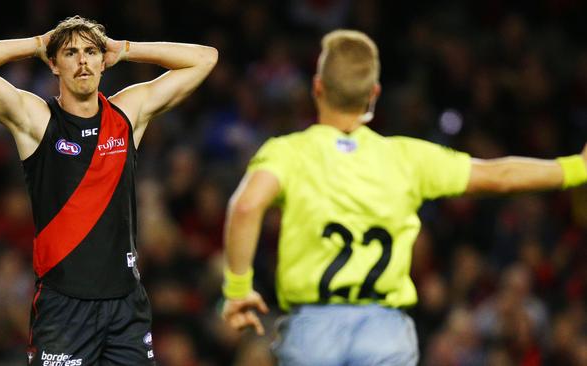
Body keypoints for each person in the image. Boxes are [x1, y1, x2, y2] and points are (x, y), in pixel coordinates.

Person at [220, 29, 586, 366]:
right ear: (373, 94)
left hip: (313, 331)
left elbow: (247, 205)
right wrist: (577, 168)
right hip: (384, 333)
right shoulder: (407, 158)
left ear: (318, 87)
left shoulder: (288, 153)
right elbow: (499, 175)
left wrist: (238, 289)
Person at [0, 15, 217, 365]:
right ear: (53, 64)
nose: (82, 61)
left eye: (91, 51)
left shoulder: (126, 114)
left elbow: (206, 58)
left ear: (102, 60)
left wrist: (123, 49)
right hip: (64, 308)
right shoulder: (38, 121)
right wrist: (36, 43)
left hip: (126, 306)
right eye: (71, 52)